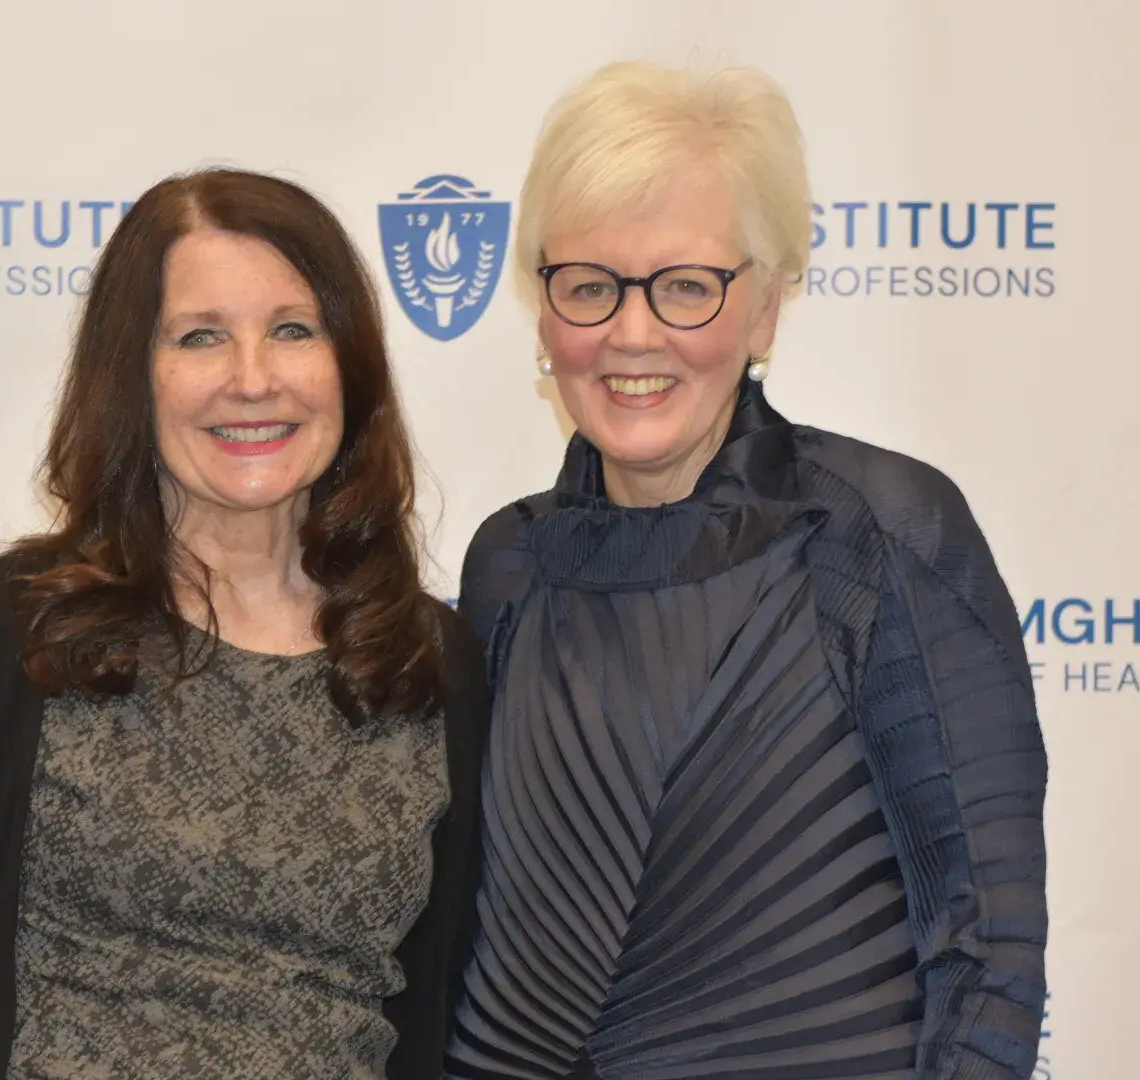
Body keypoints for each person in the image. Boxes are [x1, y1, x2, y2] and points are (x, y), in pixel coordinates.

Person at [446, 61, 1047, 1079]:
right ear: (543, 311)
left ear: (763, 309)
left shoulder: (884, 535)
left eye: (686, 286)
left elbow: (986, 960)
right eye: (589, 285)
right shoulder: (508, 565)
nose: (632, 335)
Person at [0, 167, 488, 1080]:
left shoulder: (424, 659)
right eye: (200, 337)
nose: (252, 380)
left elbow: (439, 1006)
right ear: (133, 375)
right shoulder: (5, 628)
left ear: (351, 367)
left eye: (293, 330)